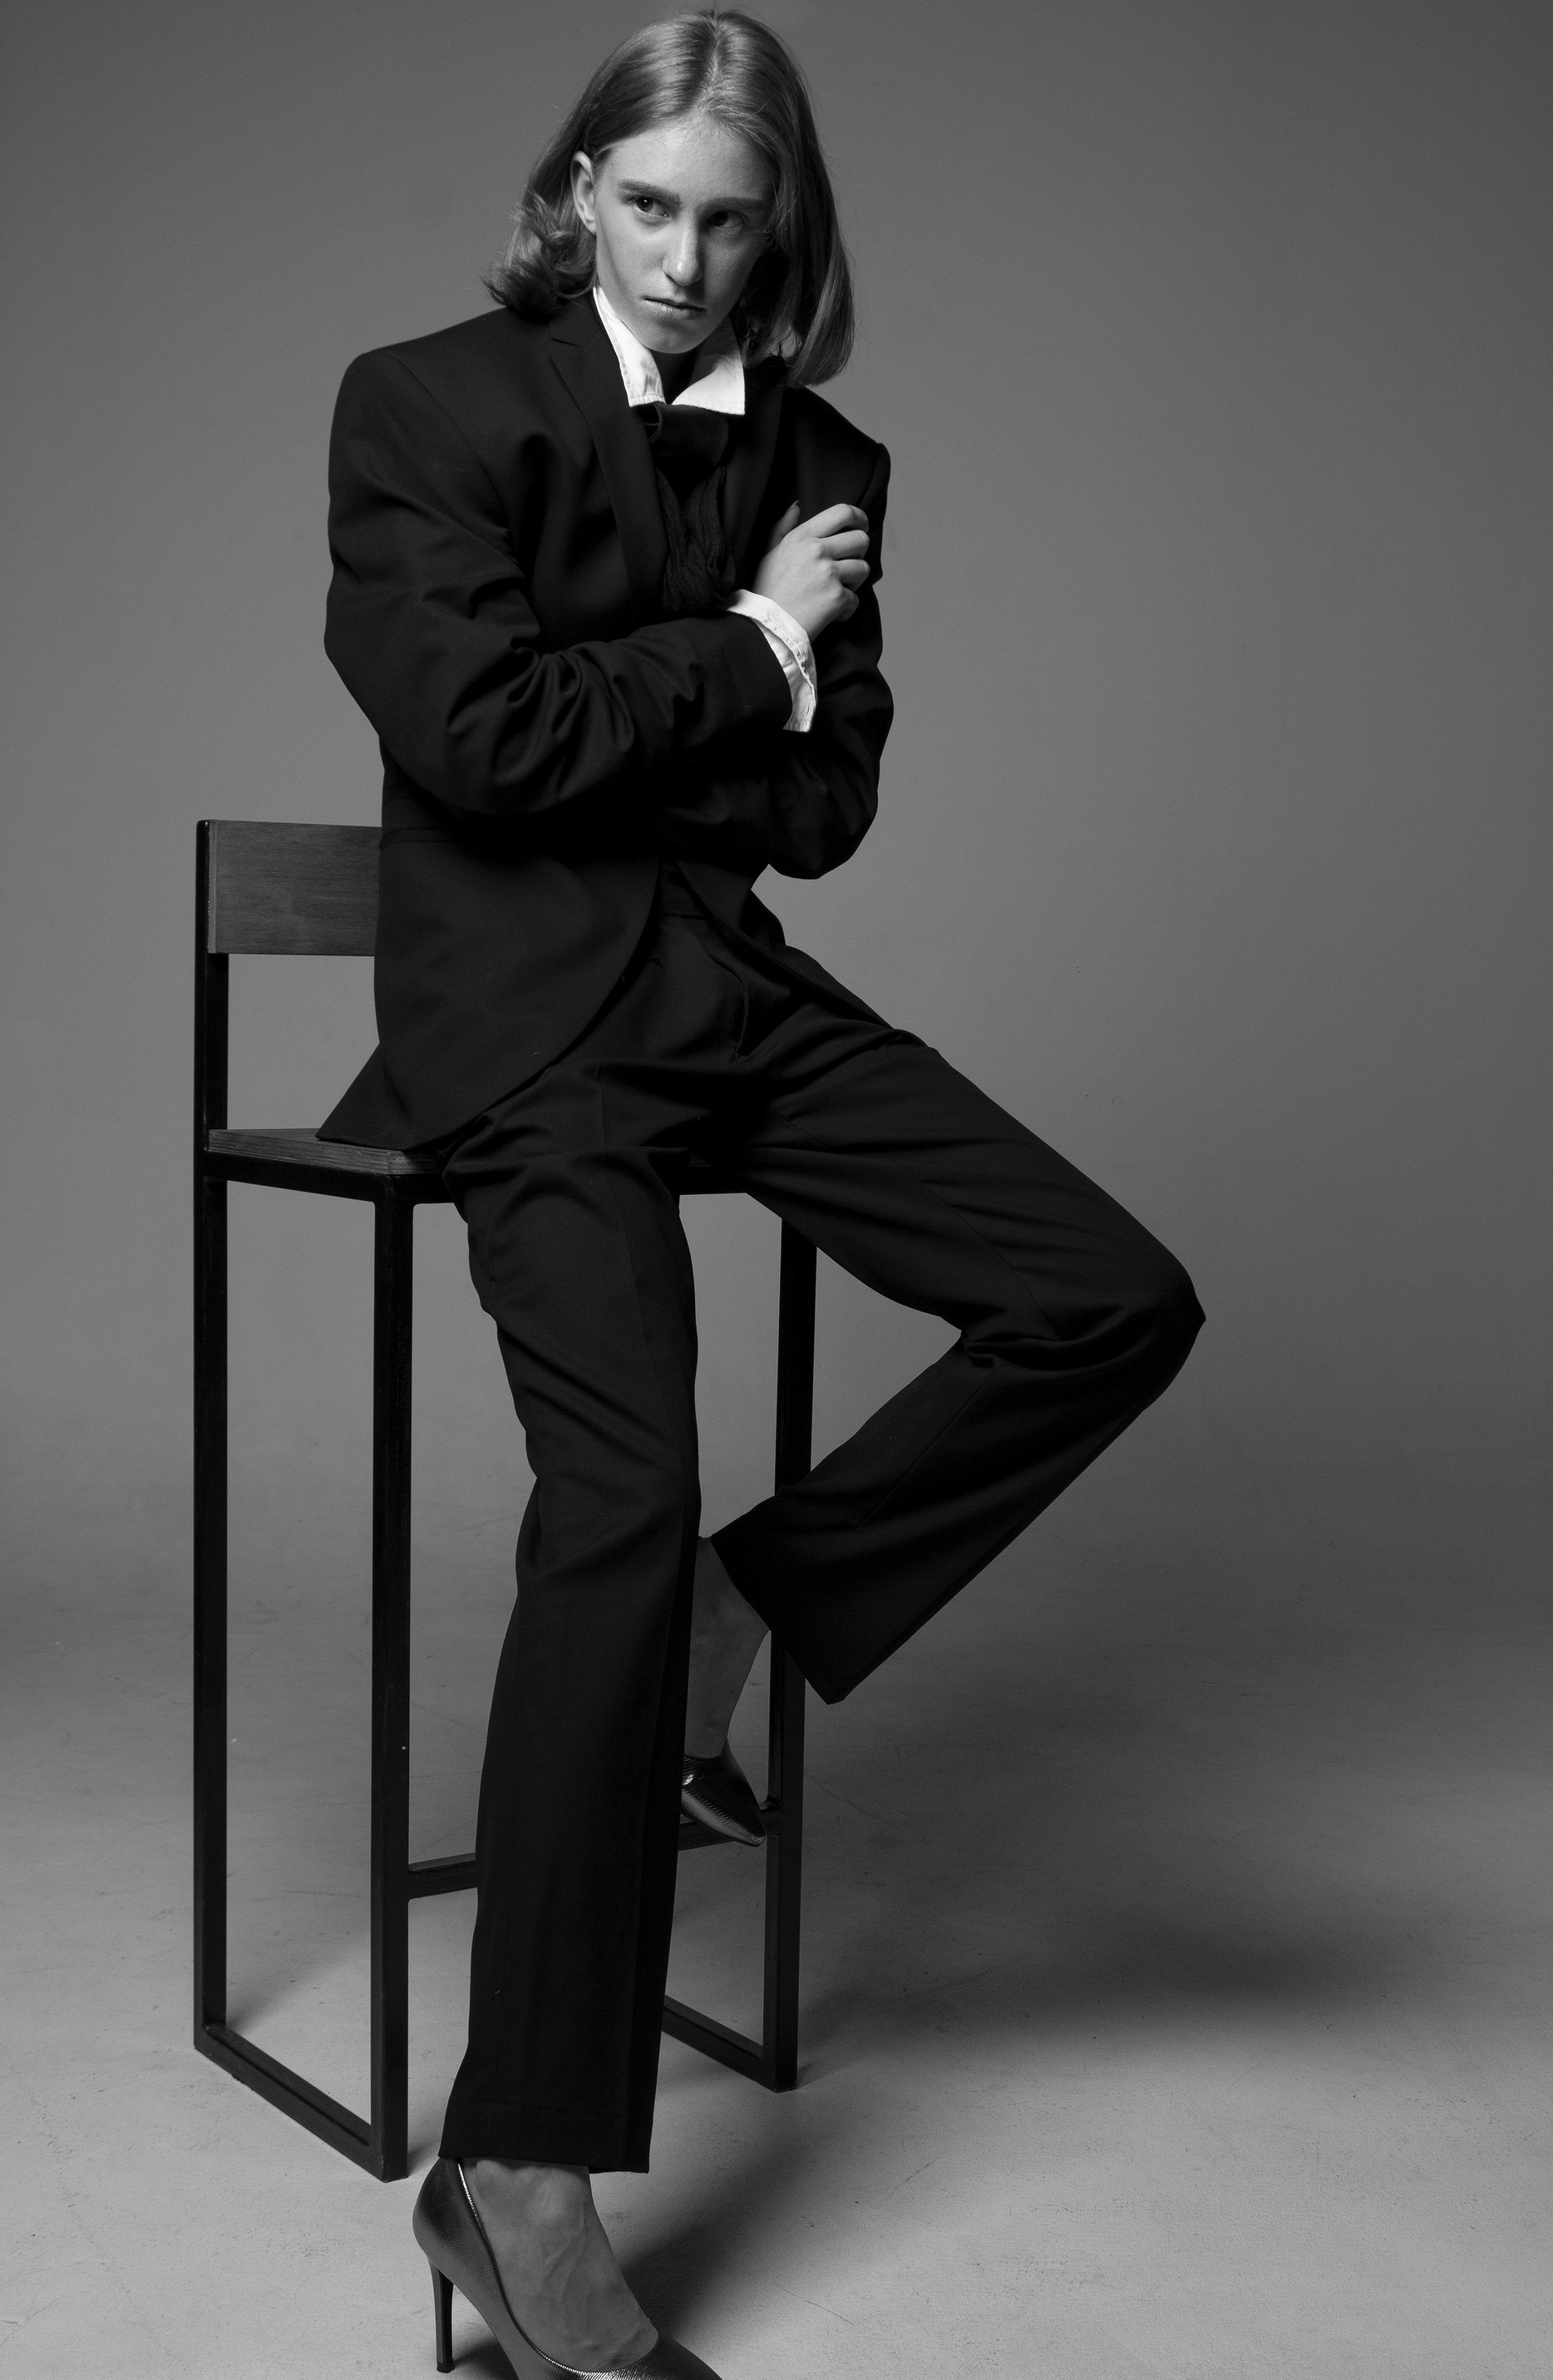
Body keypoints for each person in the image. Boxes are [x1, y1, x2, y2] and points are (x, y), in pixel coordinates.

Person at [317, 12, 1203, 2375]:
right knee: (611, 1499)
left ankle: (756, 1605)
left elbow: (823, 812)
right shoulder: (423, 406)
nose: (686, 259)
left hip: (729, 995)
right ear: (574, 194)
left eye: (730, 219)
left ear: (779, 227)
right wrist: (760, 644)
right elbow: (479, 743)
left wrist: (680, 709)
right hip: (525, 1033)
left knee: (1108, 1296)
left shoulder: (828, 458)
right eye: (647, 205)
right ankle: (516, 2177)